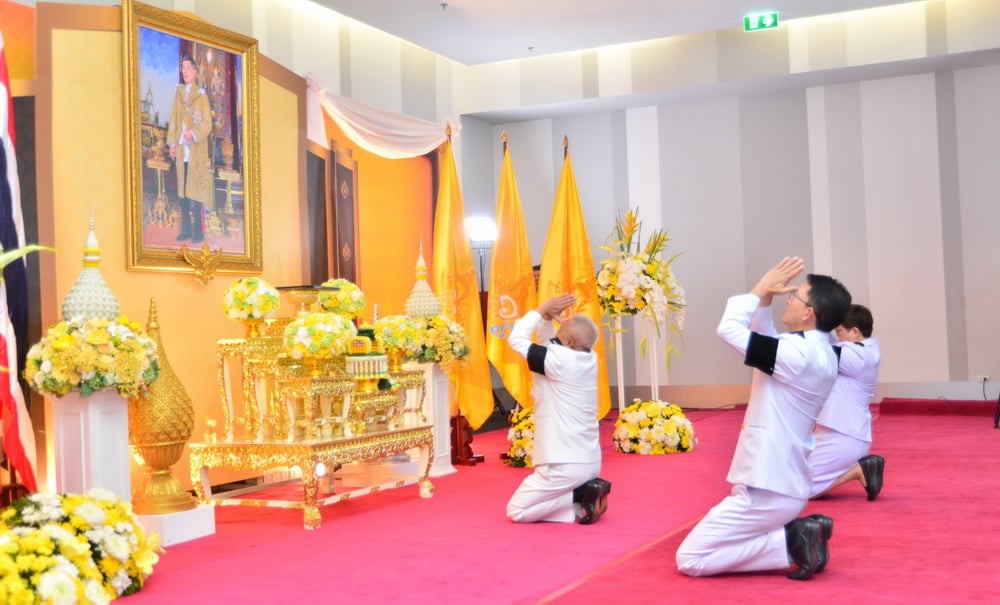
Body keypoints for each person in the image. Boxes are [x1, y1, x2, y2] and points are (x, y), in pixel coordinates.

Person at [675, 257, 851, 581]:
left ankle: (792, 542)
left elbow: (728, 329)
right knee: (709, 549)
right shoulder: (819, 351)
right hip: (782, 484)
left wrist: (758, 290)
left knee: (691, 558)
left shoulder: (799, 354)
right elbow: (766, 342)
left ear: (809, 313)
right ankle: (792, 540)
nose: (789, 298)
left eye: (795, 296)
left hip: (768, 490)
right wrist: (766, 298)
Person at [505, 293, 611, 524]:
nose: (556, 331)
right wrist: (546, 318)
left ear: (569, 342)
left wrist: (538, 311)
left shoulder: (559, 361)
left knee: (516, 510)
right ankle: (579, 500)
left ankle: (579, 496)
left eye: (560, 330)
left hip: (562, 464)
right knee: (526, 507)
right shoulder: (588, 358)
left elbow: (516, 339)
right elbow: (549, 347)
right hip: (588, 461)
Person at [809, 304, 884, 501]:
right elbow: (828, 342)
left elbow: (817, 349)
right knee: (789, 478)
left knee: (800, 489)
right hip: (837, 432)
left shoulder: (858, 356)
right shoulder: (862, 352)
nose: (838, 337)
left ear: (855, 331)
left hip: (844, 436)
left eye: (839, 332)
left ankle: (858, 470)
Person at [167, 54, 213, 245]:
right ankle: (185, 230)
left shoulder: (201, 95)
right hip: (181, 151)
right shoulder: (178, 93)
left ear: (195, 71)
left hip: (195, 153)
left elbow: (207, 123)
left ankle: (198, 232)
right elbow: (173, 119)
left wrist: (192, 133)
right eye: (183, 67)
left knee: (196, 194)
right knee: (183, 194)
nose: (185, 71)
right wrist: (172, 143)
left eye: (188, 67)